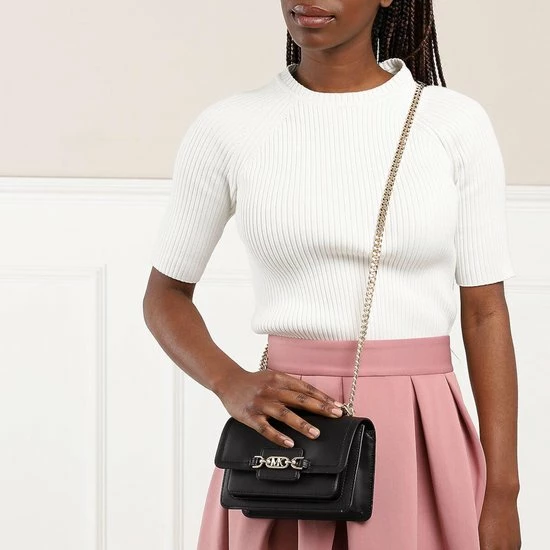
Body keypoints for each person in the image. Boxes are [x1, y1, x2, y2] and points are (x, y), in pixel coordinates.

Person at [142, 1, 522, 548]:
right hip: (284, 432)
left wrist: (503, 491)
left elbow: (485, 313)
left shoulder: (454, 123)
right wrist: (230, 382)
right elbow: (165, 295)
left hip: (421, 430)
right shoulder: (228, 128)